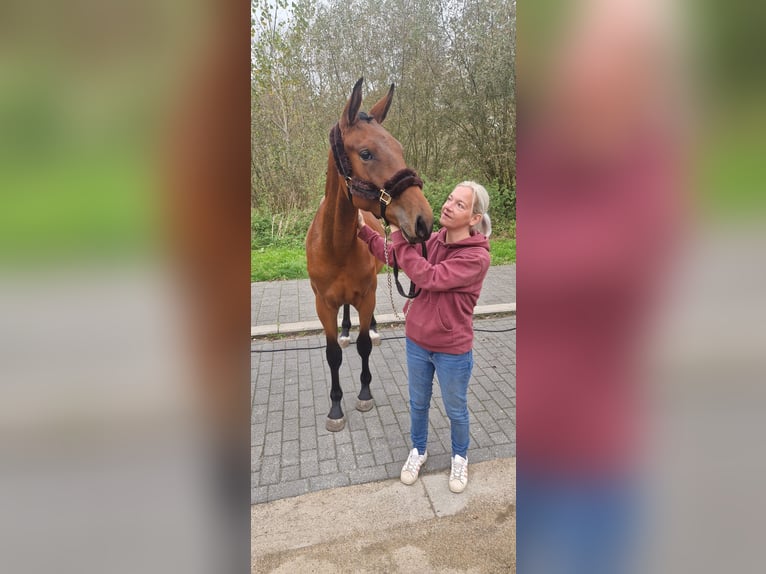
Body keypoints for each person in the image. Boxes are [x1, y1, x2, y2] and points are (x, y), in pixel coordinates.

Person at [357, 181, 492, 493]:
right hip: (417, 342)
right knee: (418, 403)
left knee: (455, 409)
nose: (447, 205)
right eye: (449, 198)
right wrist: (364, 229)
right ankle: (418, 450)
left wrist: (395, 232)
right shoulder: (431, 241)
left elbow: (428, 277)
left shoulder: (476, 258)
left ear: (474, 219)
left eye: (460, 204)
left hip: (452, 351)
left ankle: (460, 457)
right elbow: (394, 256)